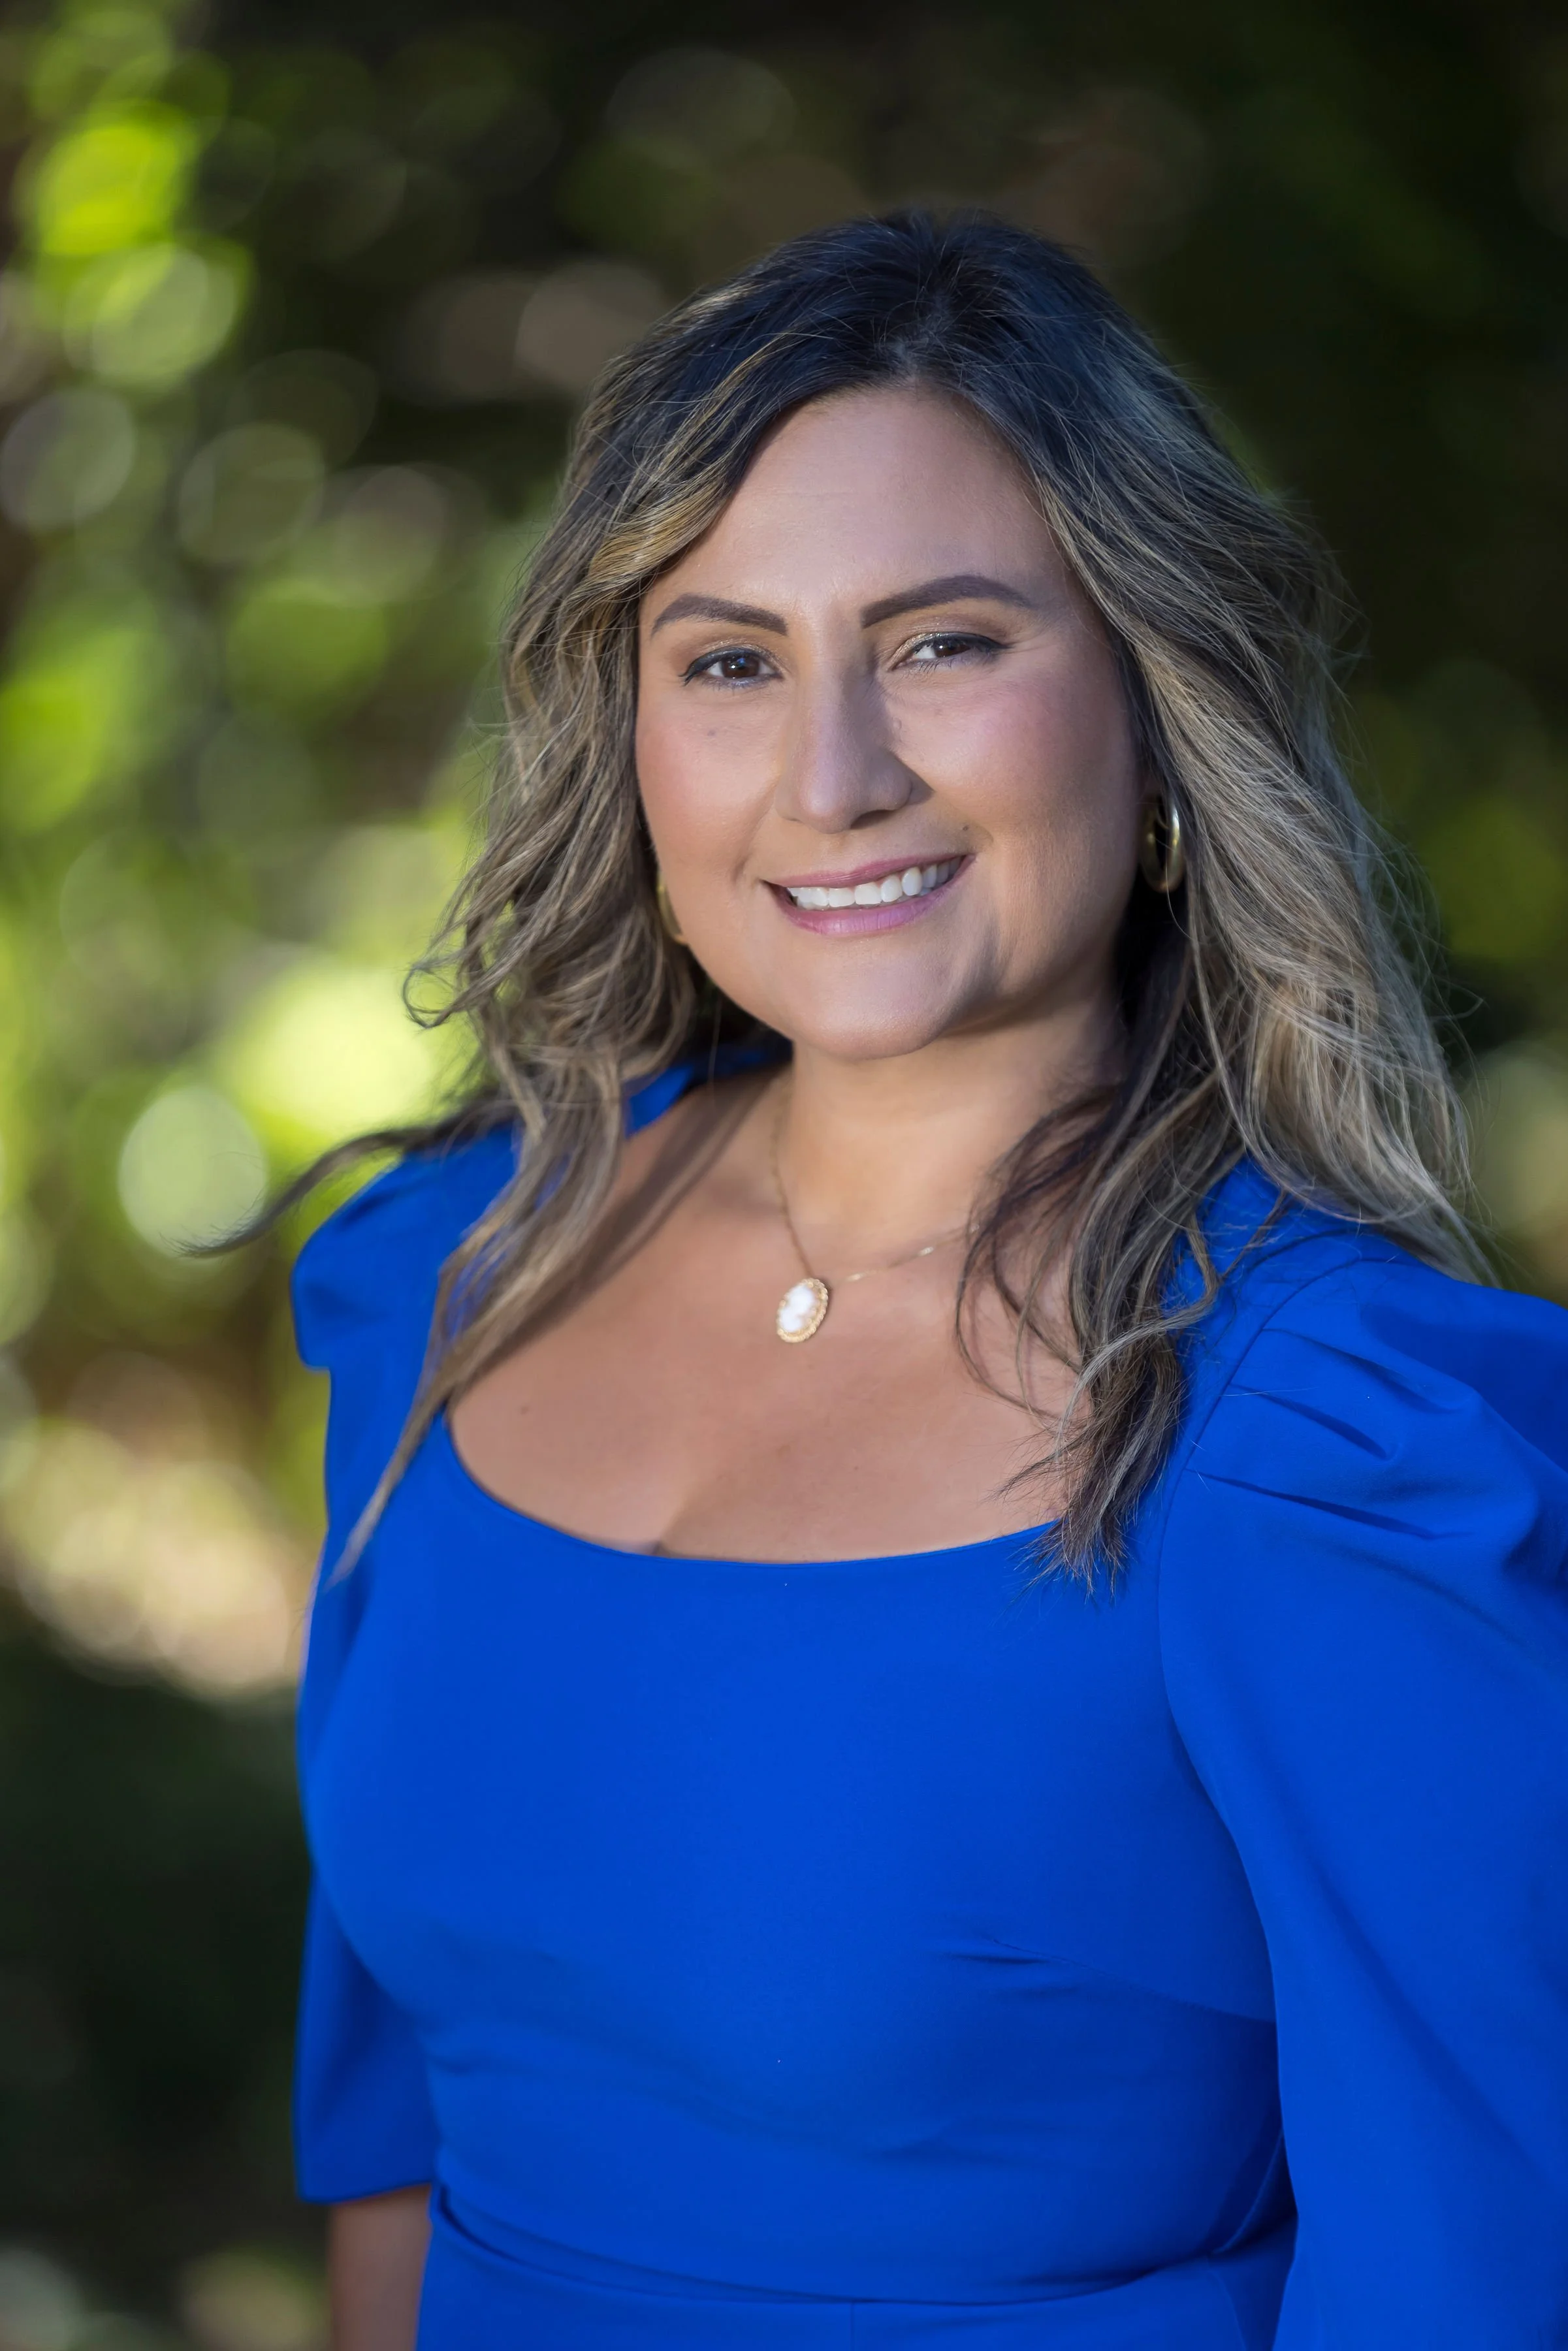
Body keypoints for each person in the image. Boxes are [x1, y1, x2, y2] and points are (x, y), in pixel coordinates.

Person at [287, 212, 1568, 2350]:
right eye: (728, 659)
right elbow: (389, 2130)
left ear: (1160, 708)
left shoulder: (1336, 1445)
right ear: (632, 738)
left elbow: (1476, 2283)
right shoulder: (447, 1275)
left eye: (946, 641)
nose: (835, 774)